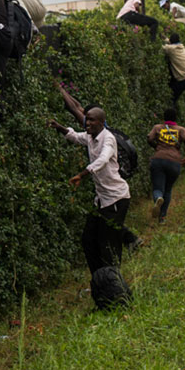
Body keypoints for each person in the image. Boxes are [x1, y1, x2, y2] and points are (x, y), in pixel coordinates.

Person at [54, 106, 139, 273]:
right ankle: (99, 277)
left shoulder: (108, 139)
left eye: (92, 120)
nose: (87, 123)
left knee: (109, 243)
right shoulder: (90, 137)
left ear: (101, 122)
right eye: (87, 119)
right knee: (88, 239)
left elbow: (102, 160)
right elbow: (75, 136)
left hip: (116, 198)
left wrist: (81, 175)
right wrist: (59, 127)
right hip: (101, 200)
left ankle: (112, 278)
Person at [147, 107, 185, 221]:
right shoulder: (181, 130)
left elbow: (149, 138)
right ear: (176, 118)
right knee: (168, 189)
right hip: (174, 162)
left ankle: (158, 198)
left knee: (158, 188)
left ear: (164, 117)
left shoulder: (157, 127)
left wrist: (156, 147)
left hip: (158, 159)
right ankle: (162, 217)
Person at [162, 33, 185, 106]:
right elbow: (171, 43)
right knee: (175, 93)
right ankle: (174, 108)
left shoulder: (170, 49)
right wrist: (165, 38)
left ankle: (170, 109)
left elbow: (161, 47)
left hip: (184, 78)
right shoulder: (181, 46)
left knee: (172, 96)